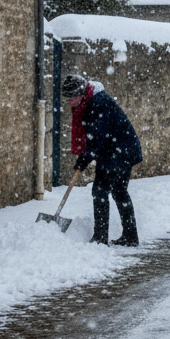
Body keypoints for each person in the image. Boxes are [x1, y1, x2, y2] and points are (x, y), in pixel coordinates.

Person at [63, 74, 143, 246]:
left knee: (100, 191)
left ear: (80, 95)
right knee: (119, 191)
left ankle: (100, 238)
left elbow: (97, 140)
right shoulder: (91, 101)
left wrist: (82, 161)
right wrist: (84, 159)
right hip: (121, 149)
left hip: (118, 151)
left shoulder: (97, 104)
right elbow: (96, 140)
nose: (70, 103)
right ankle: (130, 236)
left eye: (71, 99)